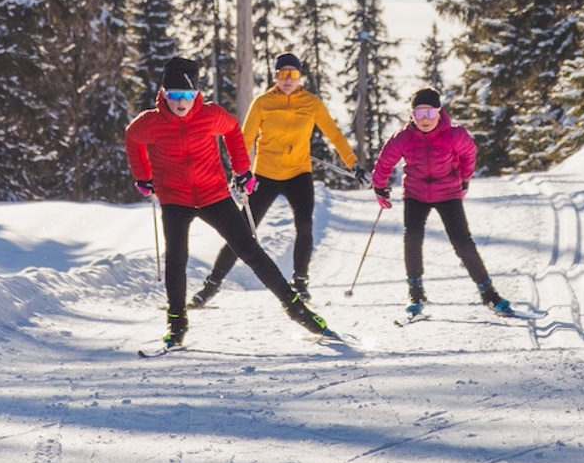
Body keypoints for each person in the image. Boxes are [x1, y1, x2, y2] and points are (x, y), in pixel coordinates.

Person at [125, 56, 332, 347]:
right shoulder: (151, 122)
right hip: (175, 198)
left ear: (196, 94)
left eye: (187, 95)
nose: (181, 102)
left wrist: (242, 169)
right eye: (174, 95)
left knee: (250, 250)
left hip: (213, 195)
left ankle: (297, 309)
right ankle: (176, 323)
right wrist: (143, 176)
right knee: (176, 260)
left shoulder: (209, 115)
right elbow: (131, 138)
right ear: (163, 94)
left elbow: (234, 131)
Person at [190, 52, 370, 307]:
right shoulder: (263, 103)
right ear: (275, 76)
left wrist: (354, 165)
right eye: (283, 74)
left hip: (299, 173)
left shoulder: (312, 103)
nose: (288, 79)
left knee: (305, 225)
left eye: (293, 74)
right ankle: (211, 286)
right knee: (242, 230)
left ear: (300, 77)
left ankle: (300, 282)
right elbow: (244, 140)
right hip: (266, 174)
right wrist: (239, 174)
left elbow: (335, 135)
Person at [371, 86, 515, 318]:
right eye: (419, 114)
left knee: (463, 243)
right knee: (413, 238)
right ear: (412, 115)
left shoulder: (454, 134)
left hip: (448, 192)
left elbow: (469, 154)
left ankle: (488, 293)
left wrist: (464, 179)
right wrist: (380, 187)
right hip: (415, 193)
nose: (425, 119)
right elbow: (385, 161)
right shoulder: (403, 137)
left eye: (429, 113)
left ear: (440, 112)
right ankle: (415, 292)